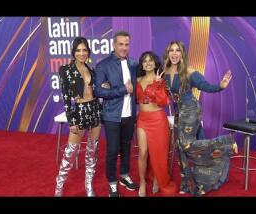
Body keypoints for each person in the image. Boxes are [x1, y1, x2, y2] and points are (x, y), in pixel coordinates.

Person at [163, 40, 238, 196]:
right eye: (172, 50)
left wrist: (220, 86)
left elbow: (206, 86)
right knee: (179, 148)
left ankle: (227, 143)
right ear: (168, 53)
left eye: (178, 50)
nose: (175, 53)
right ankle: (186, 185)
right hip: (179, 112)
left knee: (186, 145)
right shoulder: (165, 71)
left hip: (190, 110)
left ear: (182, 54)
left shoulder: (189, 71)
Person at [55, 37, 102, 197]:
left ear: (88, 52)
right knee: (70, 152)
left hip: (95, 110)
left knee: (92, 150)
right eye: (78, 50)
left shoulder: (91, 70)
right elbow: (66, 98)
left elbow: (95, 91)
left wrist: (103, 87)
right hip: (79, 111)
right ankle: (59, 186)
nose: (82, 53)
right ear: (73, 52)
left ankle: (89, 185)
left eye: (84, 50)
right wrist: (71, 120)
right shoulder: (66, 70)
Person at [94, 31, 138, 197]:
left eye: (126, 44)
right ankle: (112, 182)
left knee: (126, 147)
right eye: (120, 44)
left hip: (129, 115)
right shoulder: (103, 65)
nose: (124, 48)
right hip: (112, 115)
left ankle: (124, 176)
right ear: (114, 45)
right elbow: (98, 91)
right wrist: (122, 90)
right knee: (113, 150)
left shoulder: (134, 64)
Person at [136, 51, 177, 197]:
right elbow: (135, 98)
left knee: (158, 153)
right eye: (145, 61)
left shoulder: (161, 79)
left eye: (151, 60)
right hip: (142, 119)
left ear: (155, 63)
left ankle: (157, 179)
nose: (148, 63)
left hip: (158, 119)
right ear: (142, 64)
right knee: (143, 152)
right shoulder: (138, 79)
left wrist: (159, 86)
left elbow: (164, 102)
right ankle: (142, 181)